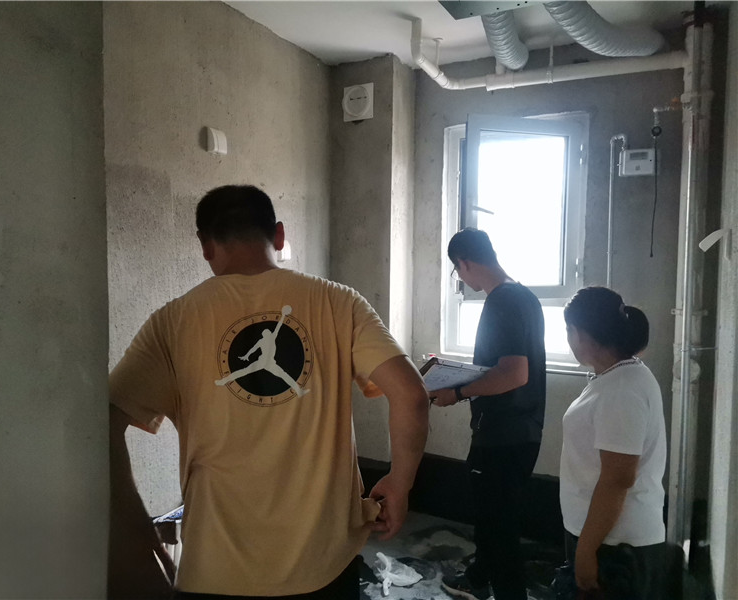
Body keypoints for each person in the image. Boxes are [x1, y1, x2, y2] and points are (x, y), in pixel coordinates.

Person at [108, 184, 429, 599]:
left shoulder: (171, 322)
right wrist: (400, 483)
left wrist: (139, 536)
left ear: (205, 246)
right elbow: (411, 395)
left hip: (216, 571)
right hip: (323, 565)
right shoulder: (340, 303)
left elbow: (102, 426)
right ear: (279, 235)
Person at [431, 228, 546, 600]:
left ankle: (507, 592)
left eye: (457, 270)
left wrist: (457, 392)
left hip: (500, 437)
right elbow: (505, 367)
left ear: (464, 262)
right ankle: (479, 577)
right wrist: (454, 372)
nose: (461, 278)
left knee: (499, 529)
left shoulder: (501, 302)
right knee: (495, 517)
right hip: (523, 431)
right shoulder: (524, 296)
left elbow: (513, 374)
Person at [558, 286, 667, 599]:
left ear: (582, 333)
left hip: (615, 545)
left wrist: (586, 551)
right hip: (603, 537)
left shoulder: (622, 390)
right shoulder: (616, 377)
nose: (569, 338)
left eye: (569, 330)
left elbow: (618, 478)